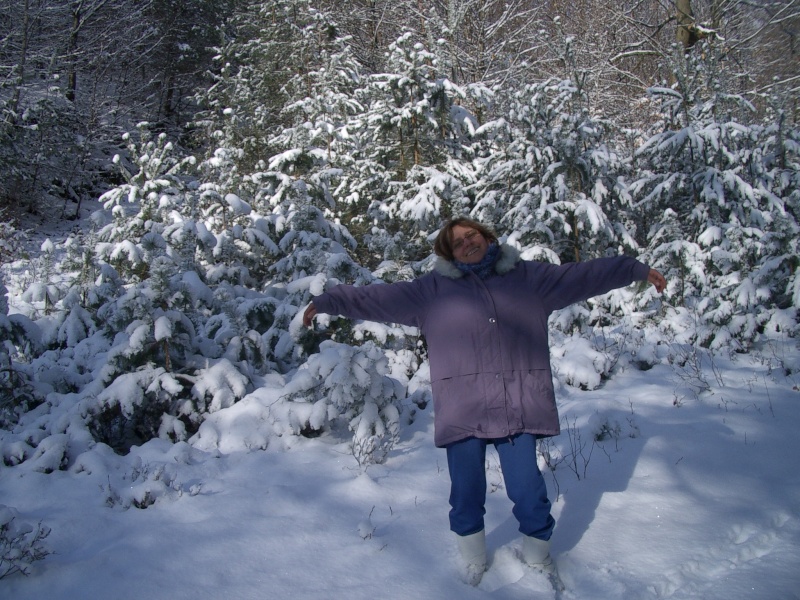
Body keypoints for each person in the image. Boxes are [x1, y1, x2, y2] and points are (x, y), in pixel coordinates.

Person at [303, 217, 666, 585]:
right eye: (457, 242)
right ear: (449, 253)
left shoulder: (530, 279)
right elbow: (377, 298)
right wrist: (329, 301)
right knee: (466, 492)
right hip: (464, 406)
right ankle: (473, 561)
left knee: (528, 489)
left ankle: (538, 560)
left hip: (518, 402)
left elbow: (583, 275)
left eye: (471, 235)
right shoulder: (431, 291)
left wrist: (632, 270)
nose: (466, 243)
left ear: (487, 237)